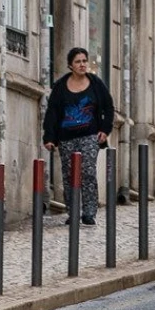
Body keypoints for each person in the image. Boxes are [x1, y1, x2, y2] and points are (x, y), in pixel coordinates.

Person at [43, 48, 115, 226]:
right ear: (70, 65)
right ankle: (73, 211)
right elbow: (52, 112)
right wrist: (49, 137)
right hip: (66, 138)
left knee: (88, 172)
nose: (82, 64)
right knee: (69, 175)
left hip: (90, 136)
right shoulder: (60, 87)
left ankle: (89, 212)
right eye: (78, 62)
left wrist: (105, 130)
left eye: (84, 61)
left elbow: (109, 107)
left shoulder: (96, 84)